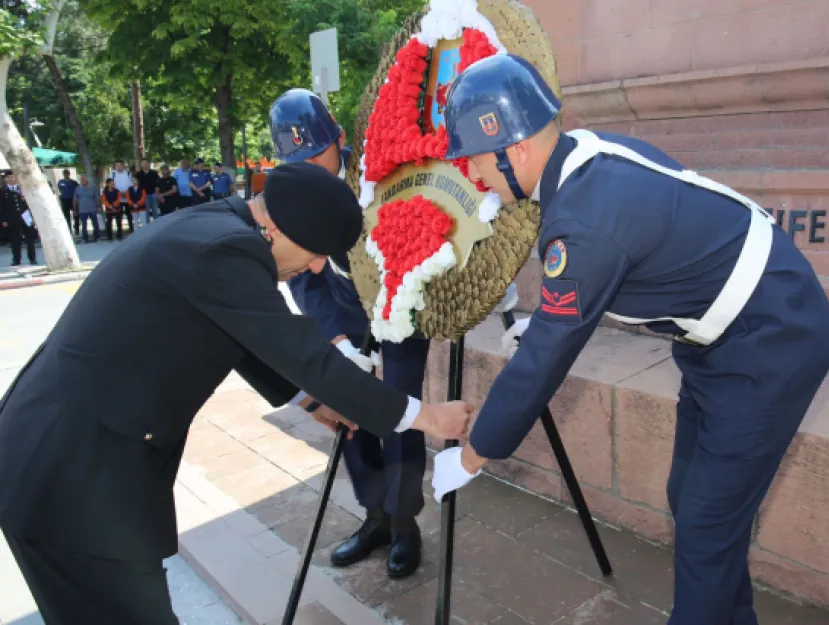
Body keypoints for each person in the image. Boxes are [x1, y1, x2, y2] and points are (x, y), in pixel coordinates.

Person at [431, 55, 829, 625]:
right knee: (693, 501)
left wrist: (474, 455)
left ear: (514, 147)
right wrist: (552, 314)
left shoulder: (582, 221)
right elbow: (625, 261)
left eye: (477, 160)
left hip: (772, 337)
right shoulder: (582, 159)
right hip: (722, 337)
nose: (478, 176)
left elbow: (549, 357)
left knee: (705, 521)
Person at [0, 162, 474, 625]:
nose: (313, 267)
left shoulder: (214, 226)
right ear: (278, 230)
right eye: (315, 253)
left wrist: (309, 401)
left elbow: (238, 336)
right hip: (70, 479)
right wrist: (427, 418)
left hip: (76, 460)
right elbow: (307, 356)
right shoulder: (224, 249)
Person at [267, 87, 428, 578]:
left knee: (400, 417)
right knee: (351, 417)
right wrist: (334, 339)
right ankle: (375, 516)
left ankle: (404, 525)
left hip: (399, 312)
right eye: (301, 158)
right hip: (342, 316)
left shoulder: (383, 175)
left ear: (338, 136)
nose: (314, 164)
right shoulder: (291, 191)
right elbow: (303, 278)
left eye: (320, 151)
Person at [1, 172, 37, 265]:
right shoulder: (3, 191)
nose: (10, 179)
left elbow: (32, 202)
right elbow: (1, 207)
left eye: (12, 176)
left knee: (30, 240)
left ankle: (32, 258)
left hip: (25, 217)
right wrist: (3, 219)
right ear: (5, 179)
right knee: (15, 241)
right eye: (8, 177)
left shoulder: (22, 188)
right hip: (12, 218)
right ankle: (16, 260)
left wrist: (33, 216)